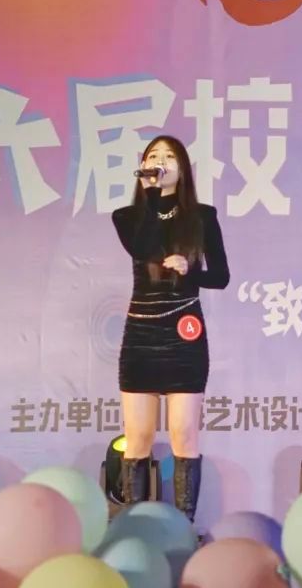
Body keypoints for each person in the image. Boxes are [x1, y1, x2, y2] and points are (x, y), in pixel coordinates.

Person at [112, 135, 230, 523]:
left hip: (183, 333)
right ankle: (135, 524)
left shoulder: (203, 217)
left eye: (169, 157)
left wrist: (189, 271)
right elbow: (144, 247)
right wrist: (150, 194)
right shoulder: (127, 217)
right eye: (153, 156)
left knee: (183, 433)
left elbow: (222, 276)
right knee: (138, 437)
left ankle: (183, 527)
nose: (160, 161)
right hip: (142, 334)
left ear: (183, 168)